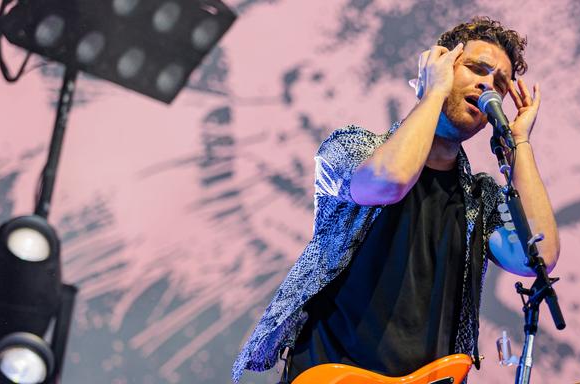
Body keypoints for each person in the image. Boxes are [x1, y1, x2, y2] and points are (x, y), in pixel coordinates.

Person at [232, 16, 559, 383]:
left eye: (500, 83)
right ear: (438, 65)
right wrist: (433, 93)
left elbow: (538, 257)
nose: (489, 85)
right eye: (476, 69)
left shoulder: (479, 199)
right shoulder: (352, 148)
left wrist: (519, 143)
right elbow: (392, 182)